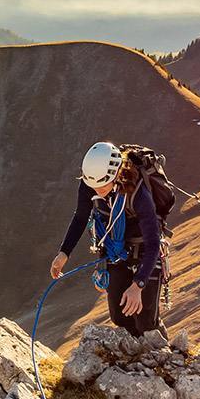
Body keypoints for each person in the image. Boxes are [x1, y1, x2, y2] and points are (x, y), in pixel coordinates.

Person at [50, 142, 163, 337]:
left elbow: (153, 243)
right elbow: (80, 217)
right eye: (93, 186)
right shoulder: (90, 184)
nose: (96, 191)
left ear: (116, 175)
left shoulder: (138, 194)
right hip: (115, 252)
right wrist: (63, 253)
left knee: (146, 321)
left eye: (102, 186)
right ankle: (136, 356)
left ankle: (161, 355)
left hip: (144, 253)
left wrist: (138, 285)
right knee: (119, 316)